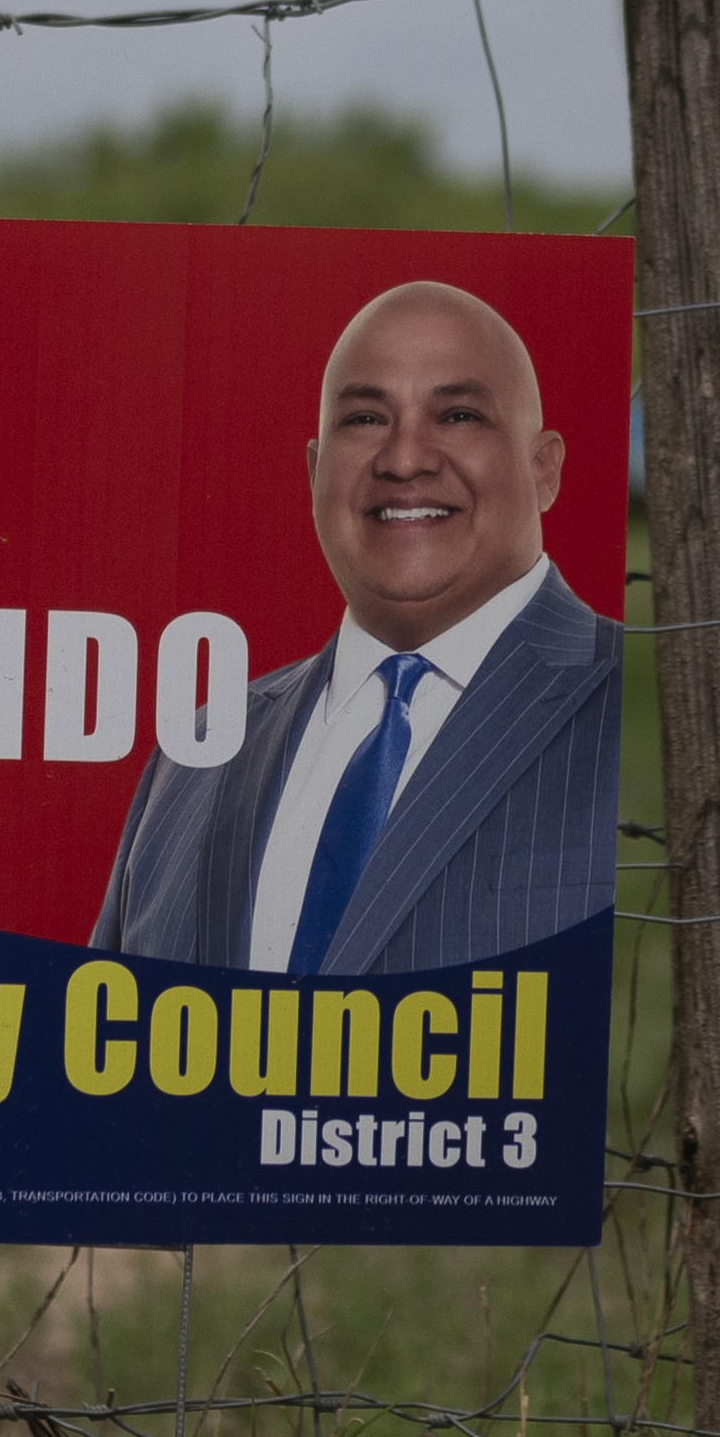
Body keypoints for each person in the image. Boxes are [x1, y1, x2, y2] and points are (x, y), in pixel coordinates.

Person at [91, 280, 620, 975]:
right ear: (315, 472)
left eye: (458, 414)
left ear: (542, 468)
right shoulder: (192, 756)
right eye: (366, 418)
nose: (404, 459)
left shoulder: (629, 697)